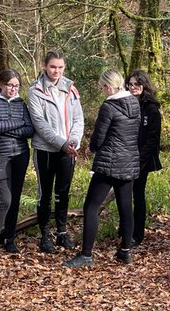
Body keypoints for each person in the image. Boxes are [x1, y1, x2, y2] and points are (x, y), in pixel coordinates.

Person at [65, 69, 142, 268]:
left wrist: (91, 148)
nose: (102, 91)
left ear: (108, 87)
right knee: (126, 207)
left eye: (102, 87)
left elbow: (99, 137)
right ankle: (126, 251)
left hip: (109, 163)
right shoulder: (134, 102)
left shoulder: (109, 106)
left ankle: (86, 255)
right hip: (129, 161)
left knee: (91, 207)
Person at [28, 51, 84, 254]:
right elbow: (40, 123)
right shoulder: (35, 91)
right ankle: (45, 234)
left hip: (68, 149)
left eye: (60, 67)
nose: (56, 71)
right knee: (45, 194)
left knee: (63, 192)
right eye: (53, 67)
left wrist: (74, 141)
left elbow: (78, 118)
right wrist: (61, 143)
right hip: (45, 149)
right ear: (45, 66)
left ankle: (62, 232)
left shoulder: (70, 88)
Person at [0, 69, 34, 264]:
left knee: (16, 198)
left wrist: (9, 128)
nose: (13, 89)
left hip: (21, 155)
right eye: (10, 85)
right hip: (1, 156)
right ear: (0, 84)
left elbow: (29, 130)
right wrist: (17, 123)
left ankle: (9, 238)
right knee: (4, 200)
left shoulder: (21, 103)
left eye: (17, 86)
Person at [127, 70, 161, 246]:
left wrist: (140, 160)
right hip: (124, 156)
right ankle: (125, 229)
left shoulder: (152, 109)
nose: (133, 88)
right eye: (130, 84)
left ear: (144, 86)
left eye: (137, 84)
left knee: (138, 194)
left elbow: (153, 139)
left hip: (142, 159)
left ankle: (137, 234)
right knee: (124, 195)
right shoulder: (125, 103)